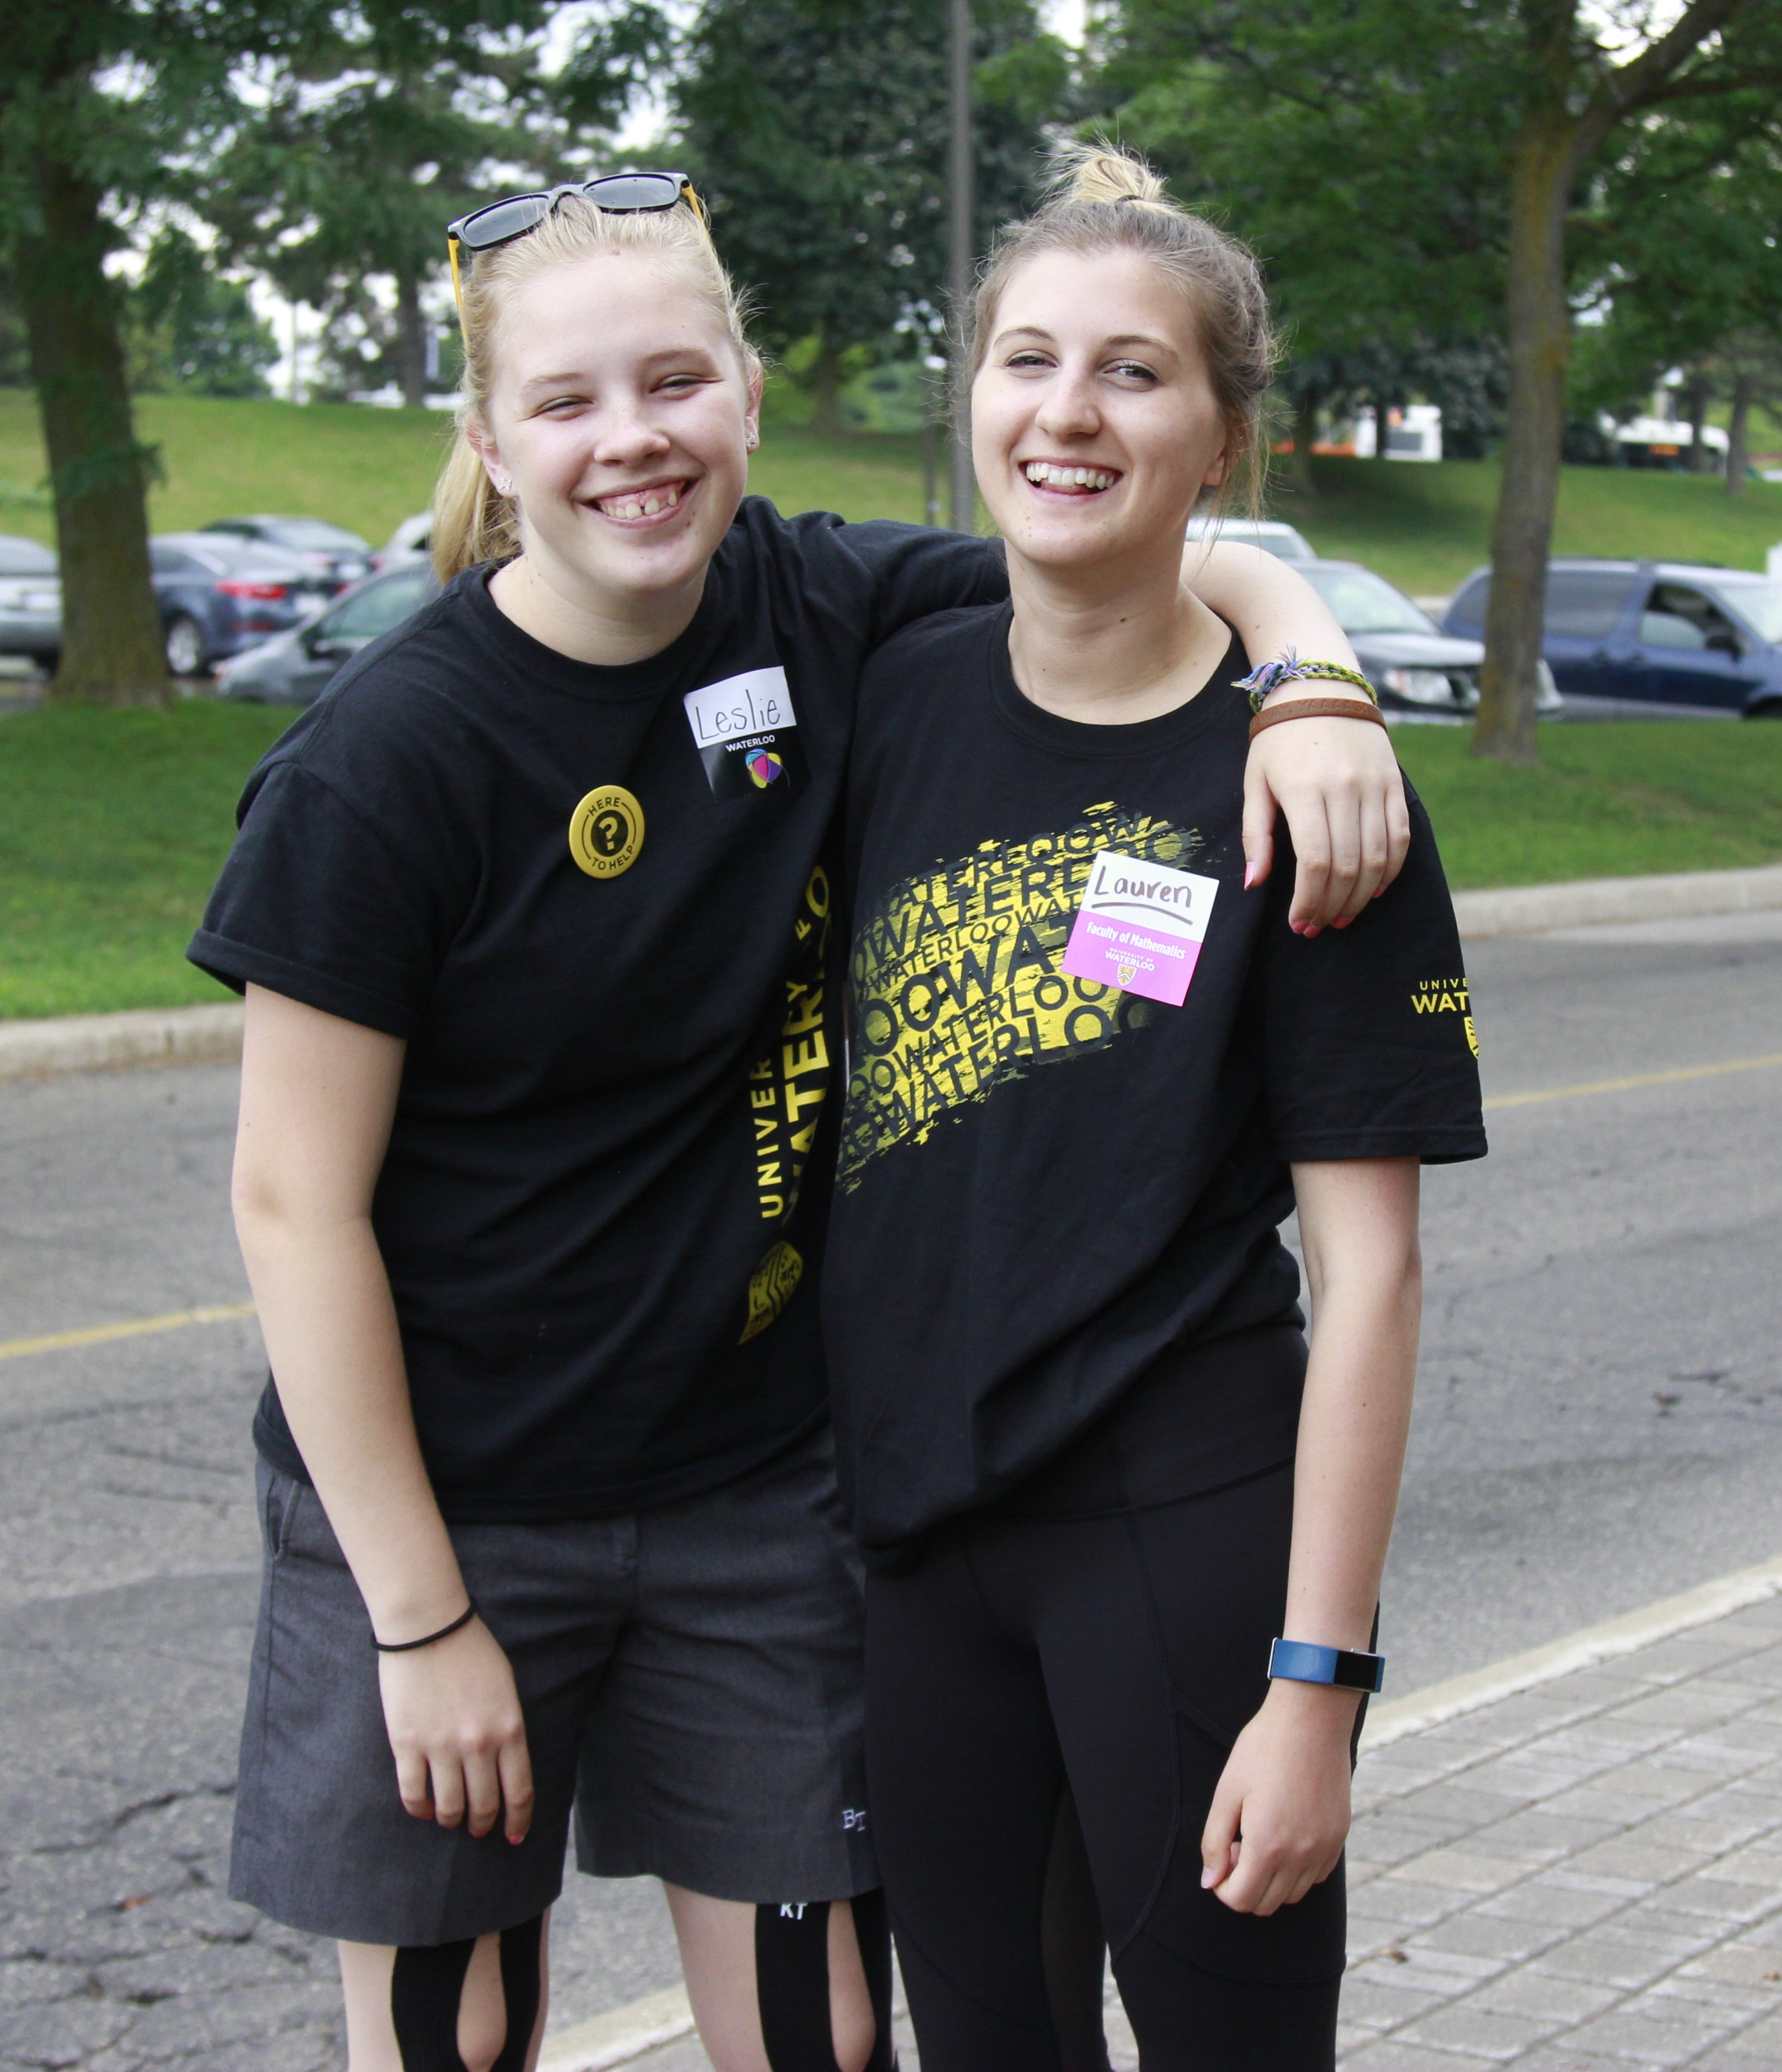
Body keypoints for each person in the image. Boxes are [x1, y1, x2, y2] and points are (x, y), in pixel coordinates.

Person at [189, 171, 1409, 2072]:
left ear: (747, 394)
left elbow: (1136, 548)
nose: (634, 444)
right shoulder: (388, 768)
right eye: (571, 405)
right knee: (460, 2028)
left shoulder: (818, 600)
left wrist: (1310, 672)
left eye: (675, 384)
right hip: (451, 1503)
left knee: (828, 2033)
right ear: (491, 444)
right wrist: (419, 1623)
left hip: (753, 1491)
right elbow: (289, 1210)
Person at [824, 148, 1489, 2071]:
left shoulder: (1317, 795)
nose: (1066, 411)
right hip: (922, 1538)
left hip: (1176, 1534)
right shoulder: (897, 690)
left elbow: (1371, 1279)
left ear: (1225, 441)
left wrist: (1319, 1692)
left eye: (1133, 372)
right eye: (1028, 359)